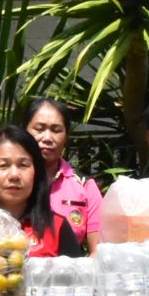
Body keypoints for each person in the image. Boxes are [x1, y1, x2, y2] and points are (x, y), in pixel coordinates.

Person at [0, 125, 87, 258]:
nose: (14, 175)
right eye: (3, 165)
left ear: (36, 171)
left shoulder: (57, 227)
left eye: (23, 165)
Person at [25, 97, 103, 242]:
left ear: (66, 136)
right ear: (24, 131)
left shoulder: (85, 186)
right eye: (39, 129)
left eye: (56, 130)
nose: (47, 138)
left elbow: (98, 250)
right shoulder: (11, 181)